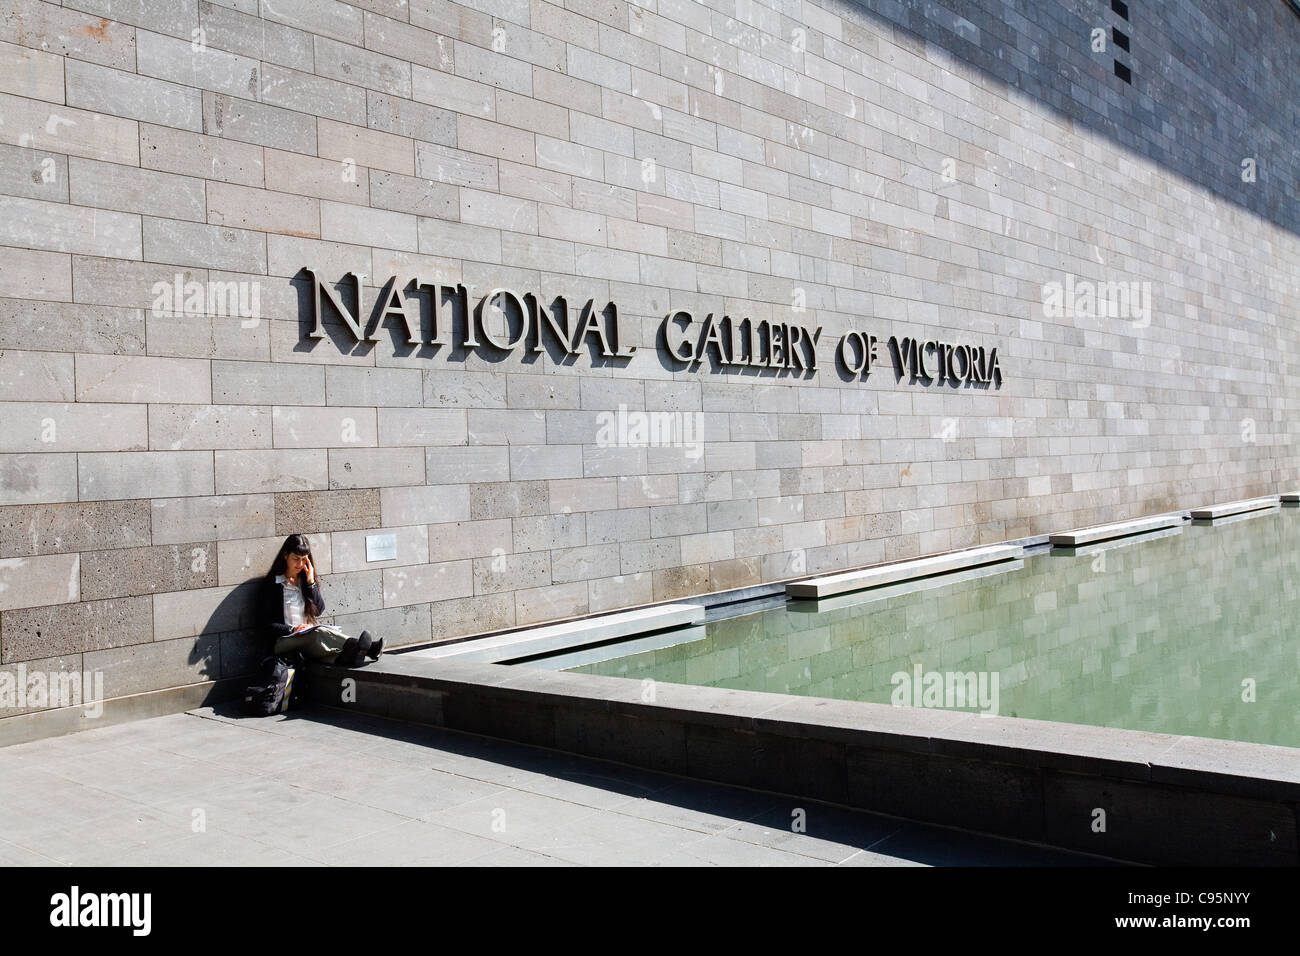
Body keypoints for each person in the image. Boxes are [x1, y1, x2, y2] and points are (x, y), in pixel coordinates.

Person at [261, 534, 382, 666]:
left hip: (309, 638)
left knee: (329, 650)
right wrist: (293, 629)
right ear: (285, 555)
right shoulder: (273, 584)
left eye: (304, 559)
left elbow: (319, 610)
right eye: (296, 559)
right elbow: (265, 624)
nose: (300, 564)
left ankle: (355, 654)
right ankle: (365, 648)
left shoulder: (305, 581)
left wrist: (311, 583)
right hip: (285, 641)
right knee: (318, 633)